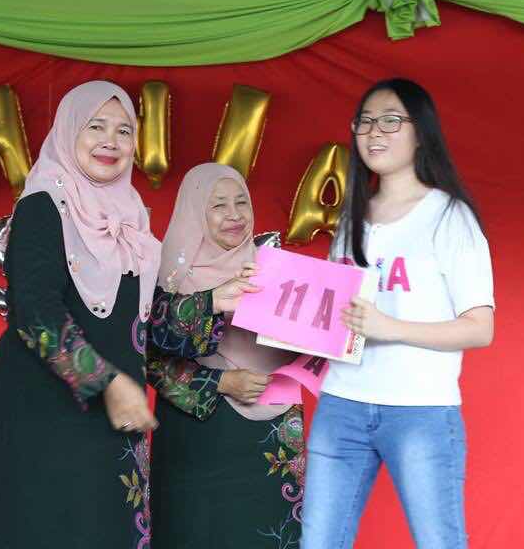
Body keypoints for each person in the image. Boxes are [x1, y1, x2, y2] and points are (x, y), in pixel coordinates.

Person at [301, 78, 495, 549]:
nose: (374, 132)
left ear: (421, 133)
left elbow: (480, 328)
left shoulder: (449, 216)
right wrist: (268, 294)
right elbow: (333, 316)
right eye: (365, 122)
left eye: (390, 120)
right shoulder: (351, 219)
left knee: (439, 542)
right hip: (341, 404)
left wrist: (390, 327)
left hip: (420, 410)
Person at [0, 81, 162, 549]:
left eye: (124, 131)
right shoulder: (43, 205)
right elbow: (35, 311)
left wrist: (221, 299)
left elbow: (149, 321)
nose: (111, 141)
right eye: (96, 127)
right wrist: (107, 382)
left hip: (115, 408)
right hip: (49, 407)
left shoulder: (132, 219)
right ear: (68, 132)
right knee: (60, 528)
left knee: (111, 526)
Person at [148, 163, 304, 549]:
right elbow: (148, 357)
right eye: (218, 205)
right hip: (201, 438)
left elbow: (313, 347)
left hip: (273, 437)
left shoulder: (278, 275)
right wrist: (221, 381)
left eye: (241, 202)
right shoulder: (165, 277)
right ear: (195, 211)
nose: (234, 215)